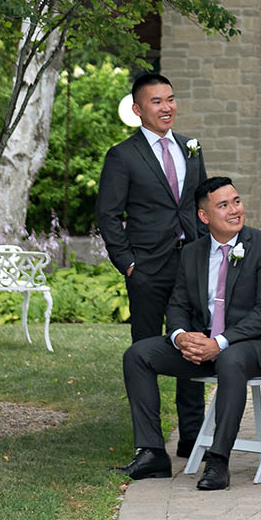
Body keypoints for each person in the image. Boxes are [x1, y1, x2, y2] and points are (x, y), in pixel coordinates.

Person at [119, 177, 261, 491]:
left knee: (231, 358)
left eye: (236, 201)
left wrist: (219, 343)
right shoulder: (192, 253)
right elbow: (178, 304)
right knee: (139, 354)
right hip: (207, 346)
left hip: (257, 346)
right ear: (204, 216)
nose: (235, 210)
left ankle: (219, 460)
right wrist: (181, 336)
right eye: (223, 205)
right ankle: (152, 453)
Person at [96, 71, 210, 459]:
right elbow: (108, 215)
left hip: (192, 264)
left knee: (194, 345)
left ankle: (192, 439)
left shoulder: (191, 147)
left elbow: (203, 205)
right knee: (143, 354)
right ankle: (149, 447)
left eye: (171, 99)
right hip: (147, 270)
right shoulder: (123, 155)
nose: (167, 107)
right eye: (157, 102)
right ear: (137, 109)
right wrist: (129, 264)